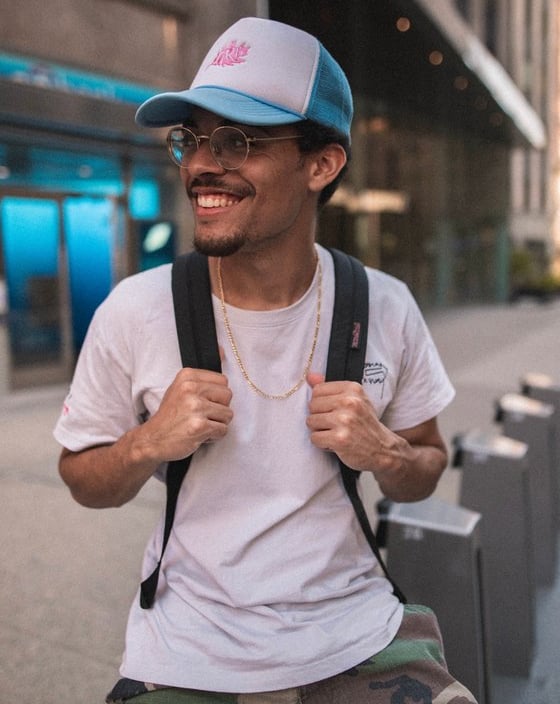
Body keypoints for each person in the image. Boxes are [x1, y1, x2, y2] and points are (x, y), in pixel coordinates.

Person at [54, 16, 476, 704]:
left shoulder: (385, 307)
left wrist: (384, 452)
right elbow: (81, 477)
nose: (200, 165)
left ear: (322, 163)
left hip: (355, 634)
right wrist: (147, 443)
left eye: (237, 140)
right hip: (187, 648)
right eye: (190, 140)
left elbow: (424, 470)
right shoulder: (136, 310)